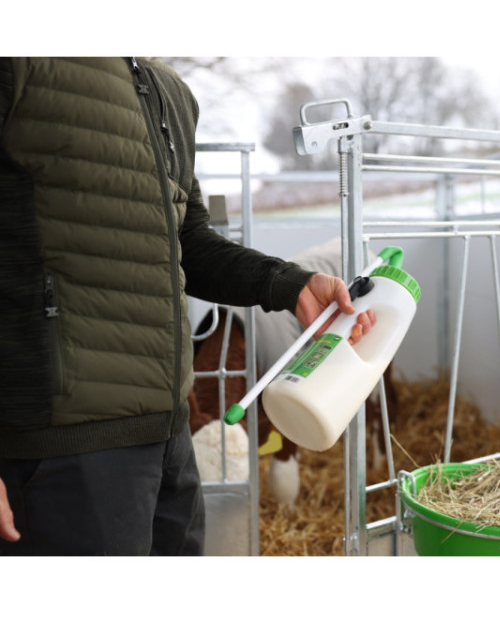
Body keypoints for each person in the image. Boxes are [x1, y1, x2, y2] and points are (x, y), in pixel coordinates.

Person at [0, 57, 374, 556]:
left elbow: (190, 242)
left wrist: (290, 285)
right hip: (60, 446)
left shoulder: (169, 90)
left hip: (171, 436)